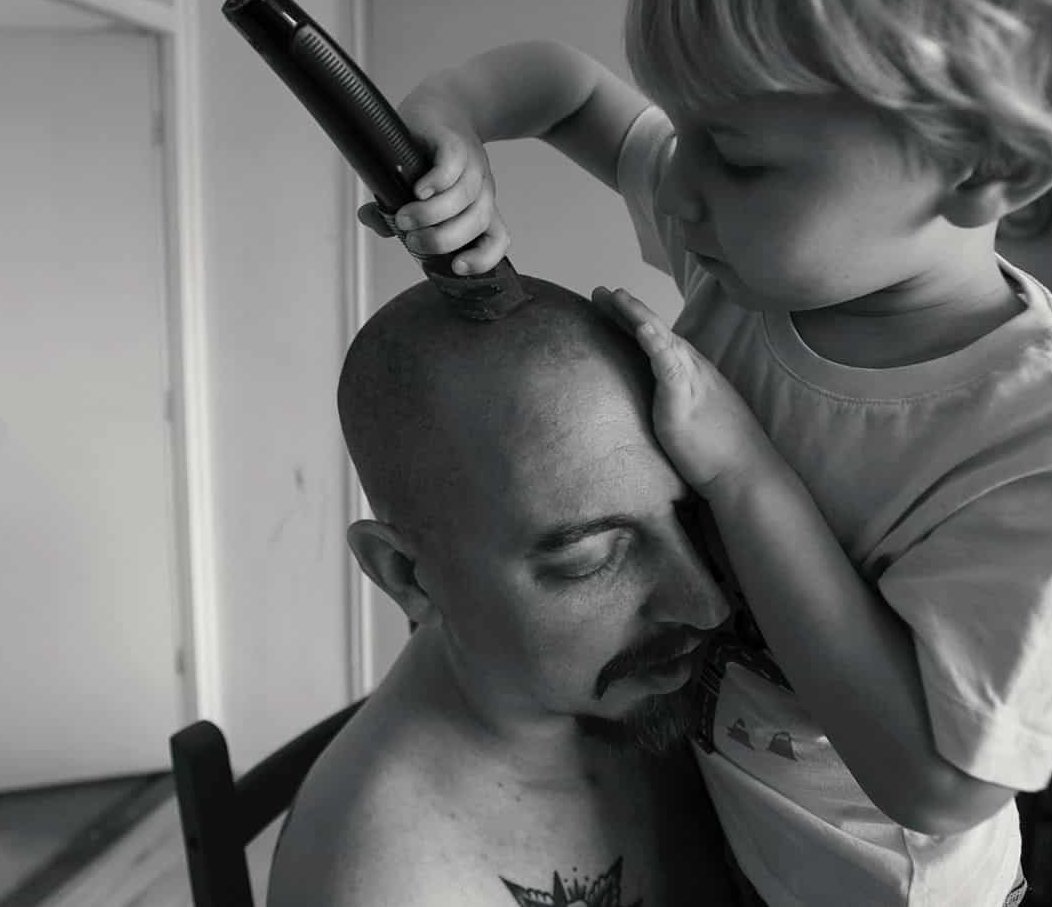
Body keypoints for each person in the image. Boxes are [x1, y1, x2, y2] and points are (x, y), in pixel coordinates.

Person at [356, 0, 1052, 904]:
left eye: (739, 155)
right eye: (680, 129)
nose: (674, 188)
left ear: (983, 167)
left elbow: (937, 786)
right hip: (732, 851)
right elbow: (560, 84)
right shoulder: (750, 263)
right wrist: (450, 116)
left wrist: (742, 468)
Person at [268, 275, 738, 906]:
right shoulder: (391, 885)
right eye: (589, 559)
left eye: (693, 517)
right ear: (406, 575)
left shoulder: (637, 679)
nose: (705, 604)